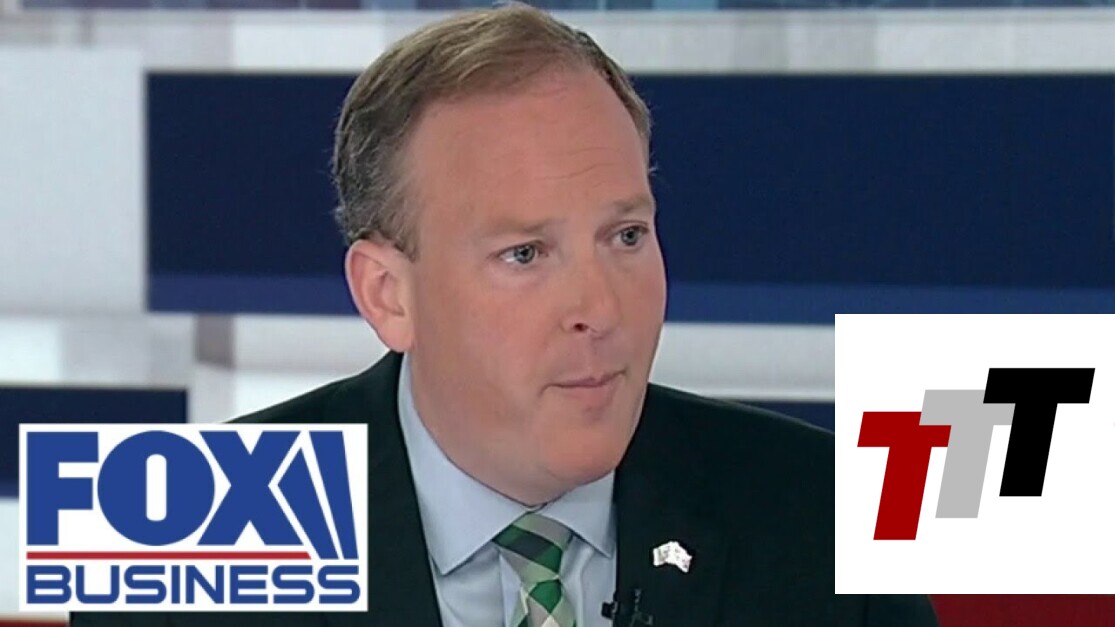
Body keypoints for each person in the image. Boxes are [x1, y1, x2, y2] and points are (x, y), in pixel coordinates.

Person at [73, 4, 937, 626]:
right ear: (388, 295)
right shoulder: (171, 541)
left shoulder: (825, 516)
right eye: (524, 254)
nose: (599, 306)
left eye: (625, 235)